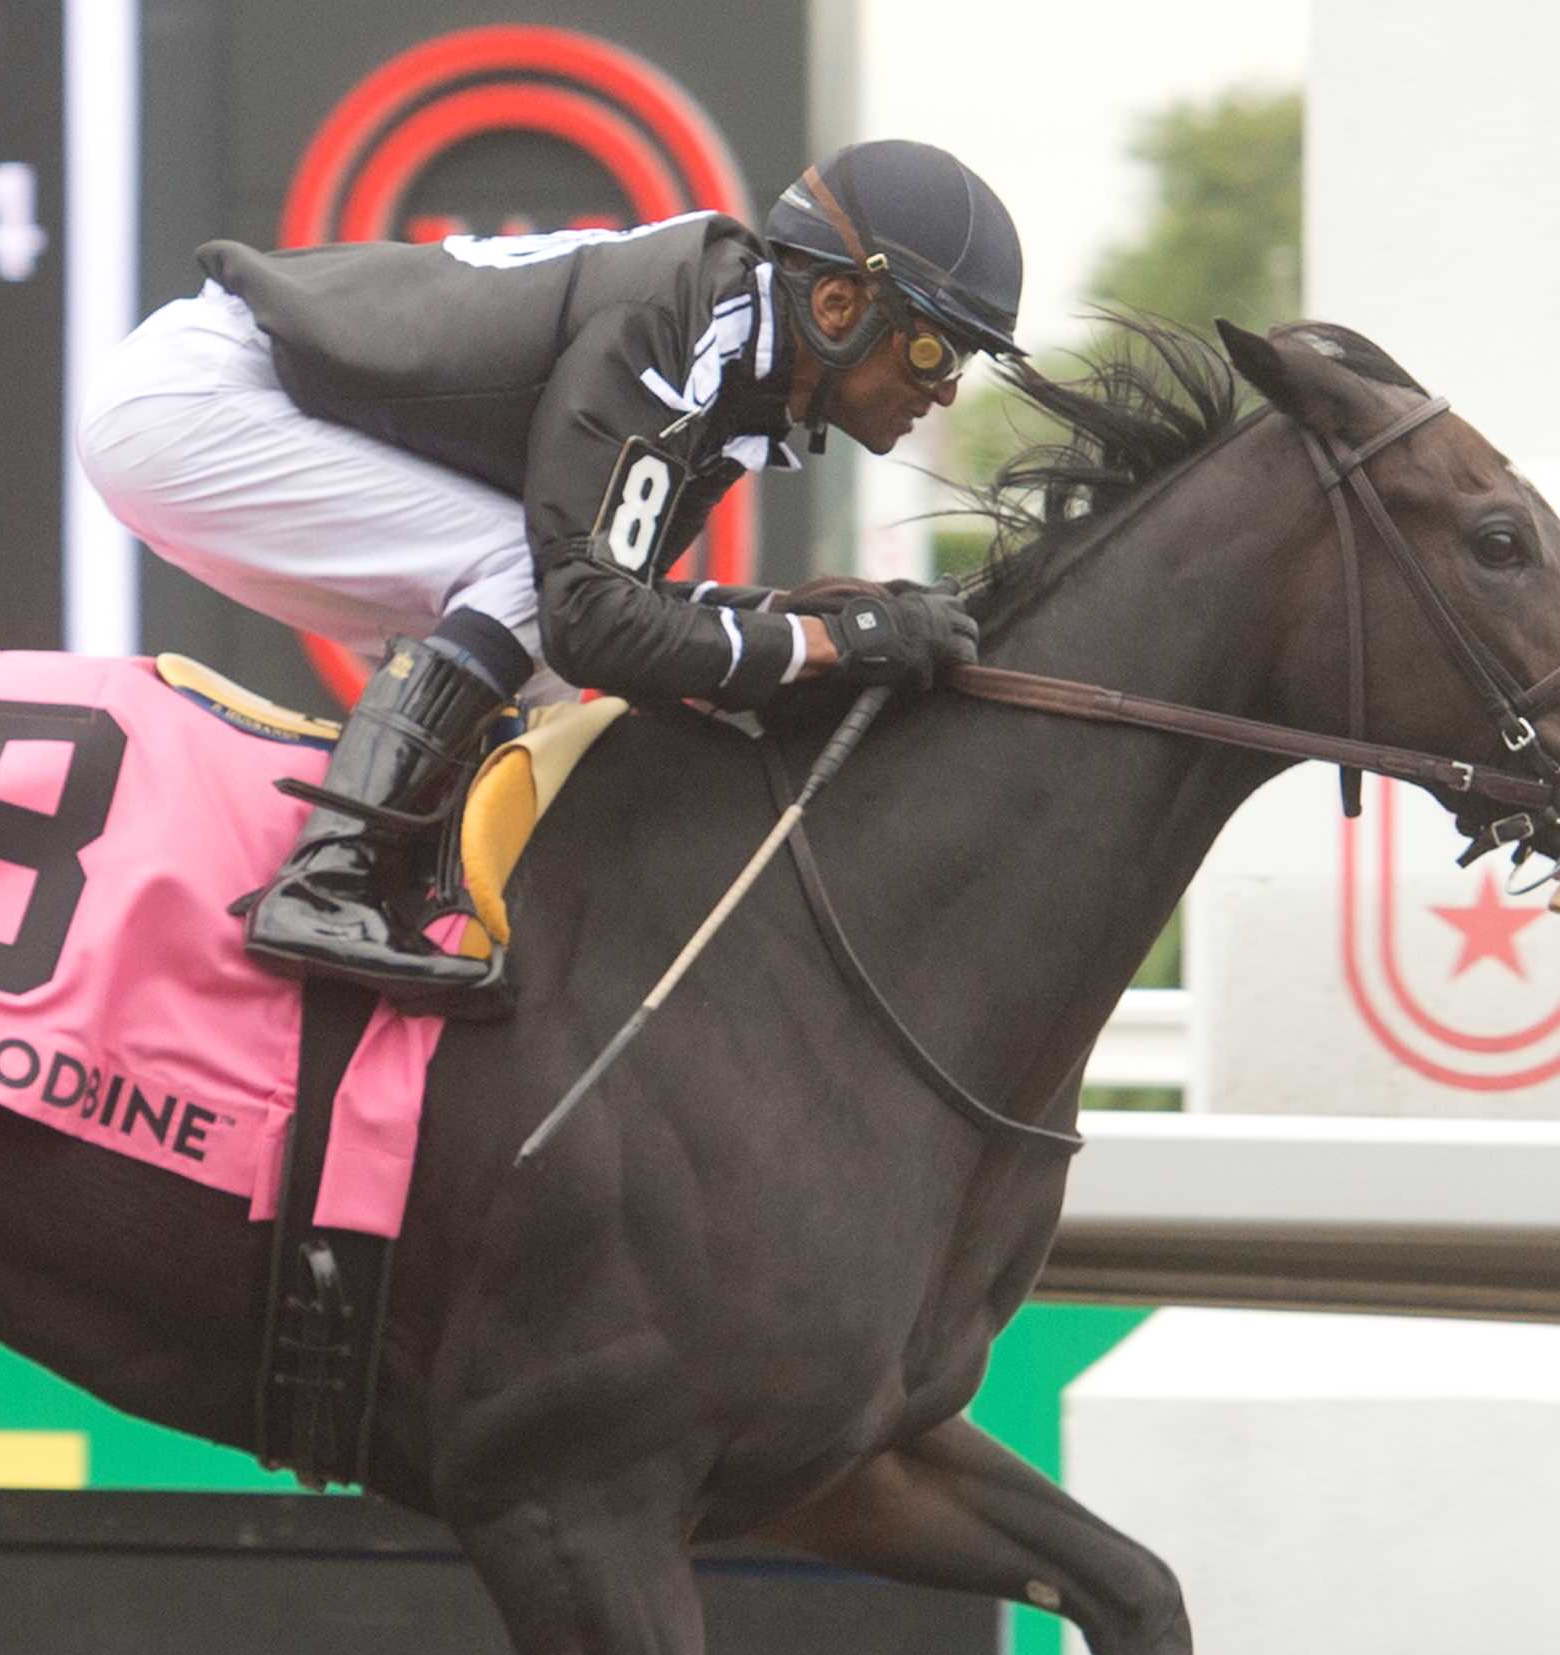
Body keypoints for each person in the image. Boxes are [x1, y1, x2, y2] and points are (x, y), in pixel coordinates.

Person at [80, 140, 1025, 1008]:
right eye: (936, 348)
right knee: (527, 590)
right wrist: (826, 641)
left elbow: (622, 614)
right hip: (204, 398)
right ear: (837, 306)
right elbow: (591, 618)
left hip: (211, 404)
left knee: (540, 646)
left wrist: (797, 624)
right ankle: (326, 878)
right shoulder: (689, 327)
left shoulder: (741, 358)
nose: (945, 389)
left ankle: (414, 878)